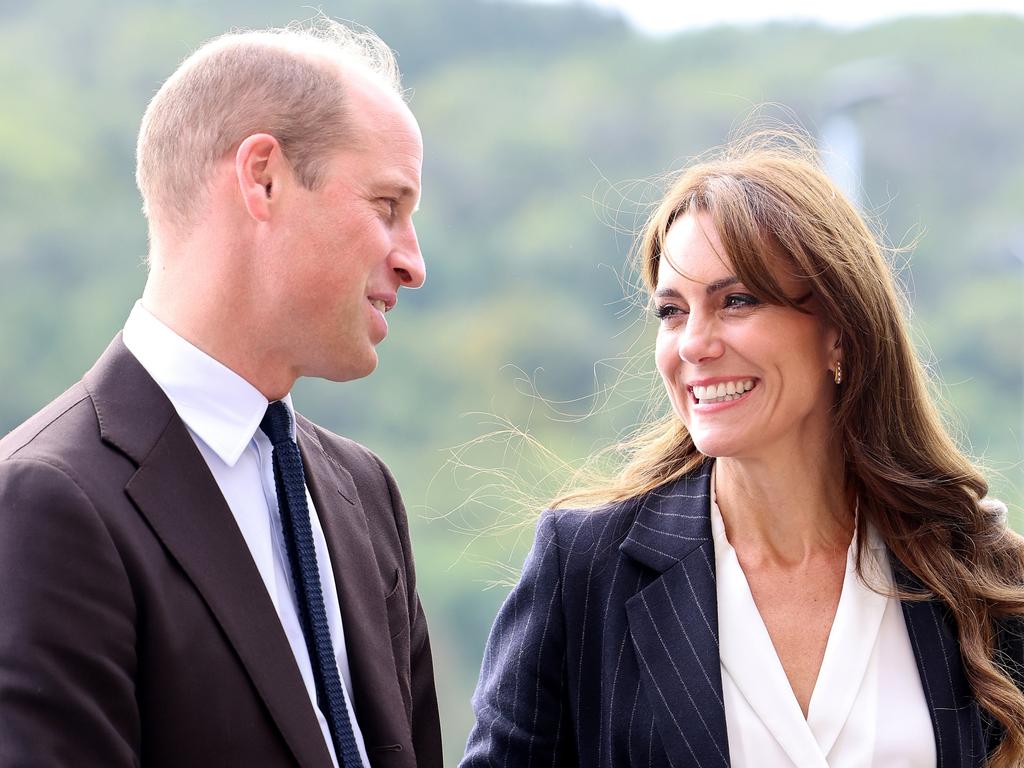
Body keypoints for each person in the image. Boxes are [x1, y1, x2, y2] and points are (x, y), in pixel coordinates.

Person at [461, 131, 1024, 767]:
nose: (694, 344)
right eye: (672, 312)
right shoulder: (586, 570)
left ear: (839, 333)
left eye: (736, 301)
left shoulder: (975, 571)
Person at [0, 19, 442, 768]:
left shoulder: (364, 494)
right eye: (386, 206)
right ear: (262, 177)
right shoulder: (44, 501)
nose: (413, 262)